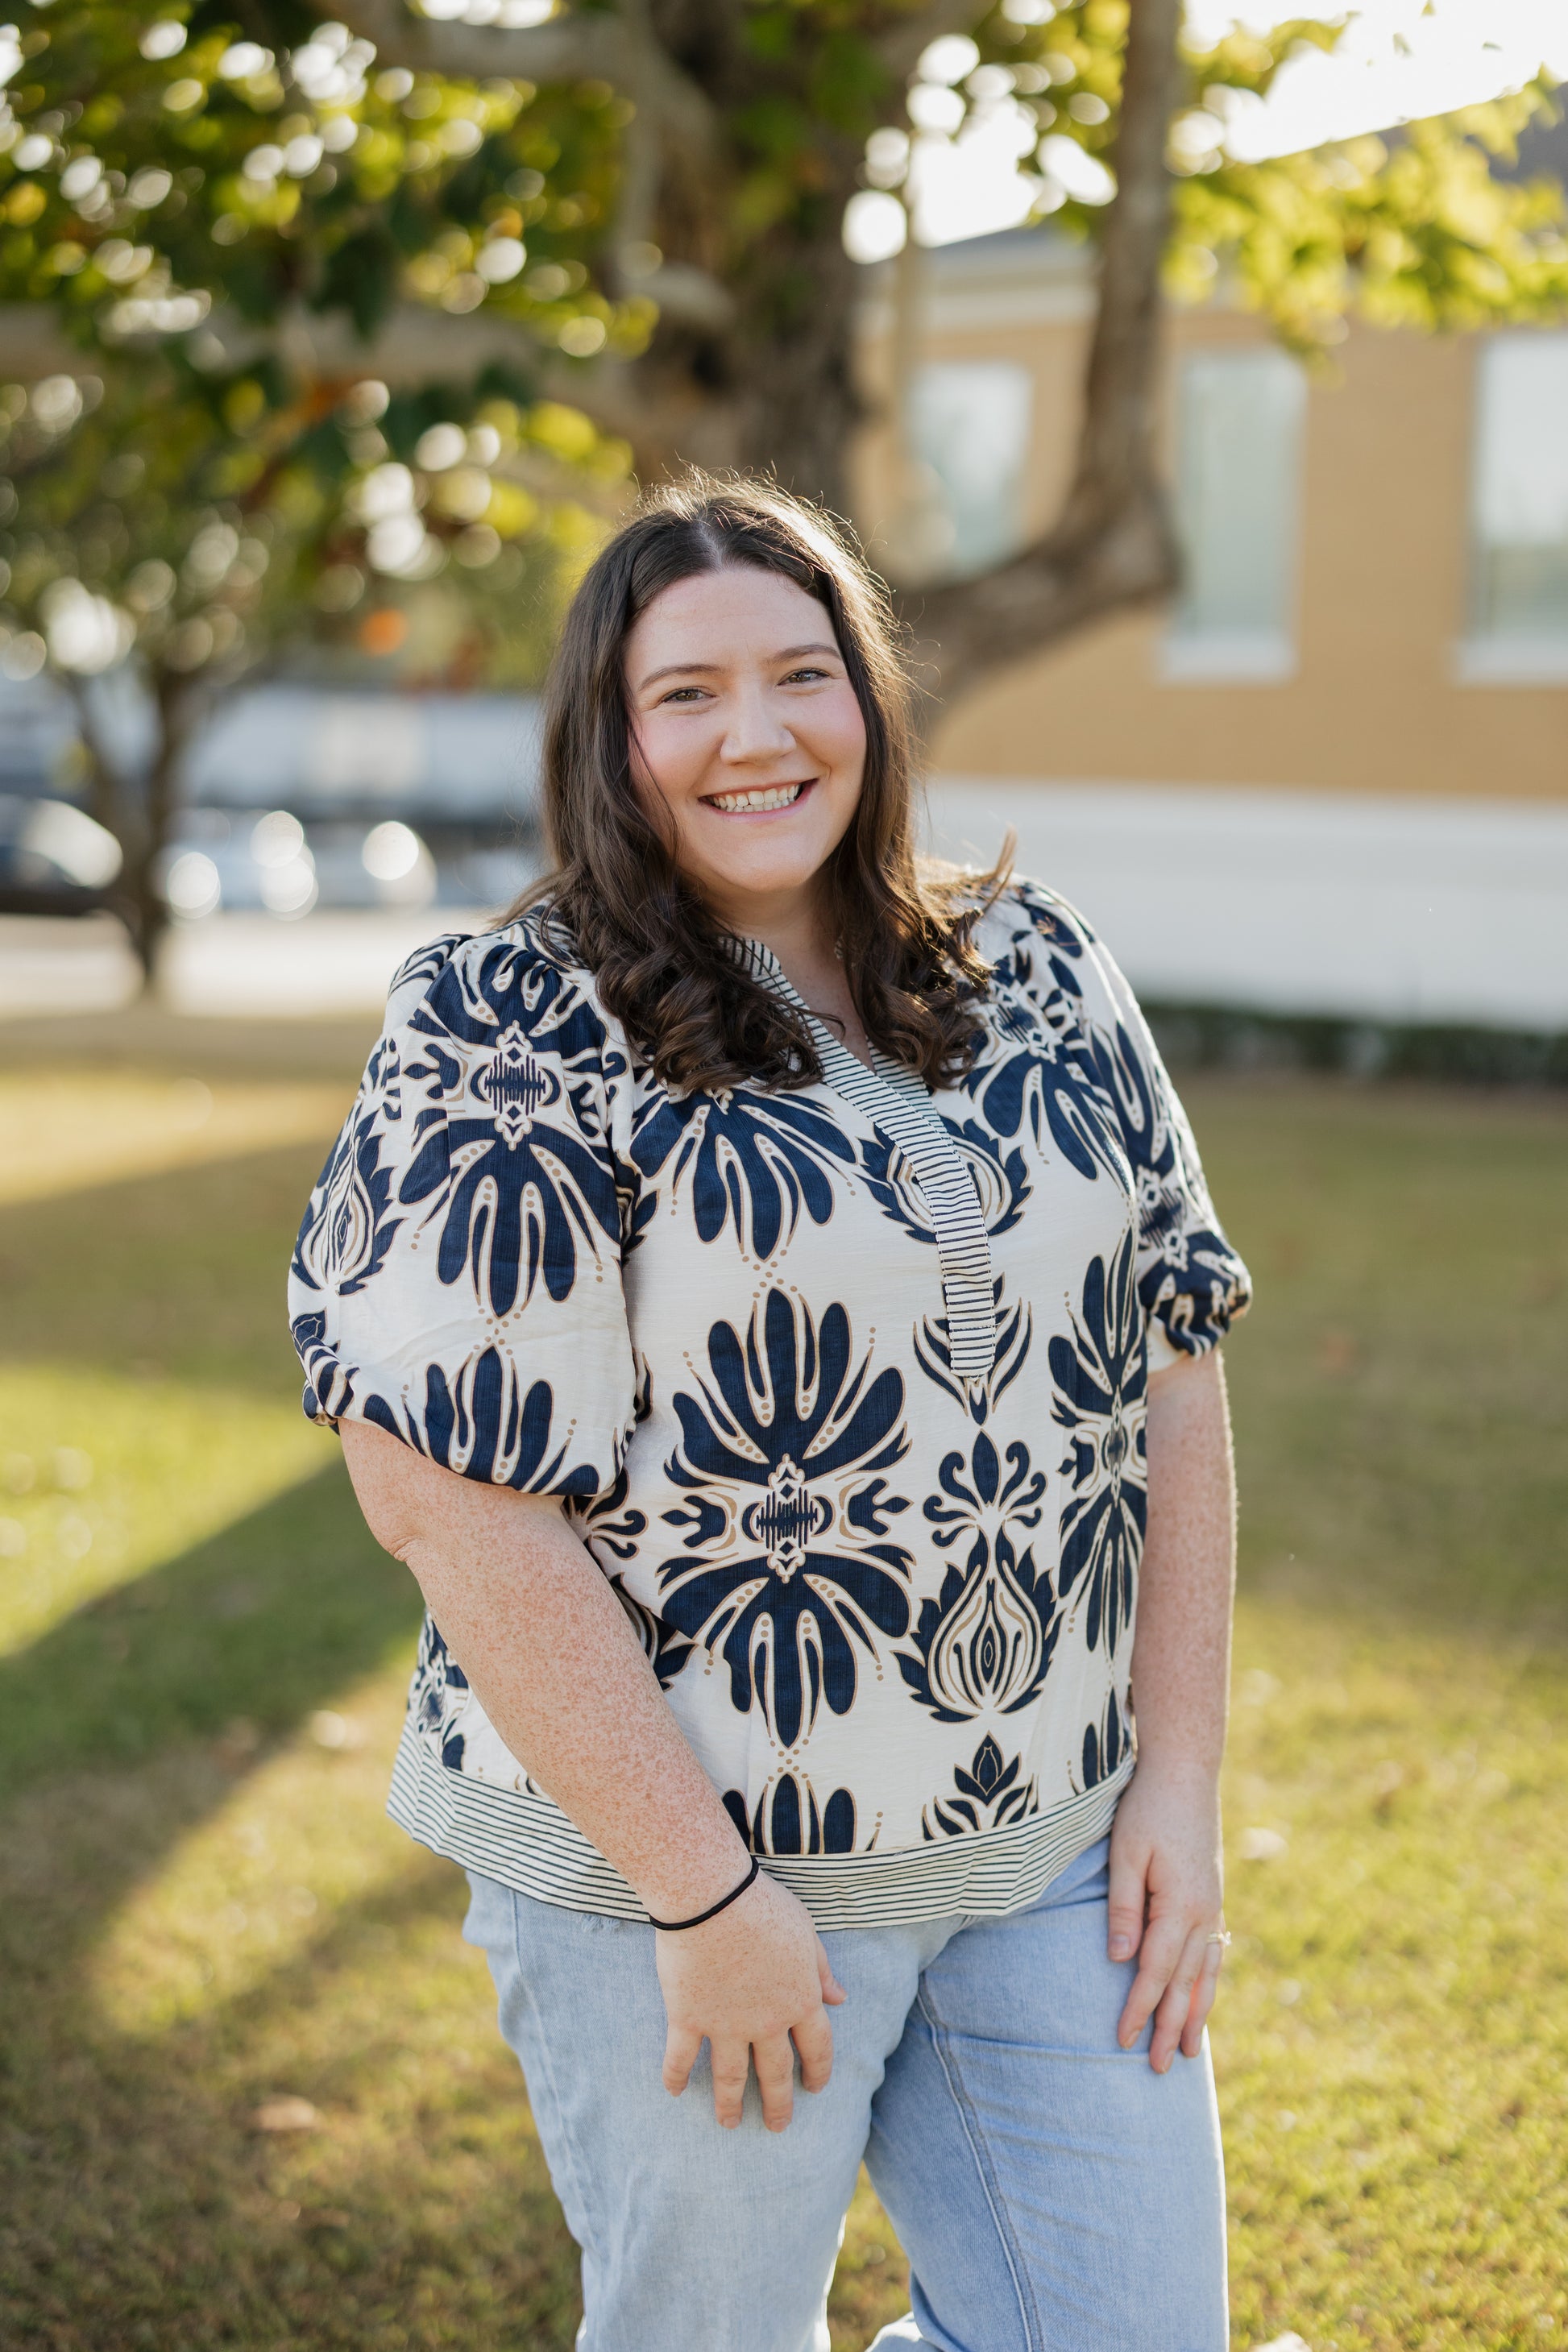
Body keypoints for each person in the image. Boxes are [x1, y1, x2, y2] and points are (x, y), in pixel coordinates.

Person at [288, 475, 1251, 2352]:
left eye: (804, 673)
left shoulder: (1041, 968)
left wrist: (1181, 1778)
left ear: (871, 704)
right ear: (611, 736)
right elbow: (449, 1497)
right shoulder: (508, 1020)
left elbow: (1175, 1373)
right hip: (684, 1873)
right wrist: (702, 1893)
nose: (757, 733)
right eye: (687, 694)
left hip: (1044, 1850)